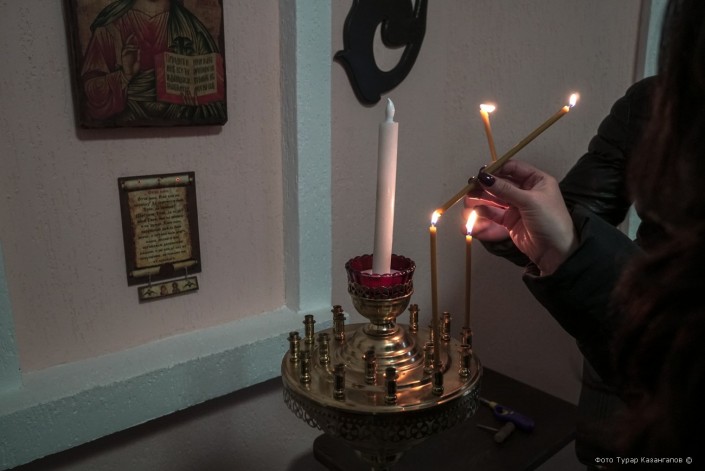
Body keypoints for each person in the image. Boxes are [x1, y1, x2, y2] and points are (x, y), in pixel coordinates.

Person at [468, 0, 705, 463]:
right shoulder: (653, 105)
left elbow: (571, 237)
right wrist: (511, 224)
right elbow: (573, 214)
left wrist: (566, 245)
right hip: (617, 389)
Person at [80, 0, 227, 126]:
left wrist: (194, 99)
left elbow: (214, 105)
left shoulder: (193, 31)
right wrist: (124, 76)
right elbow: (91, 97)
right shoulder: (110, 29)